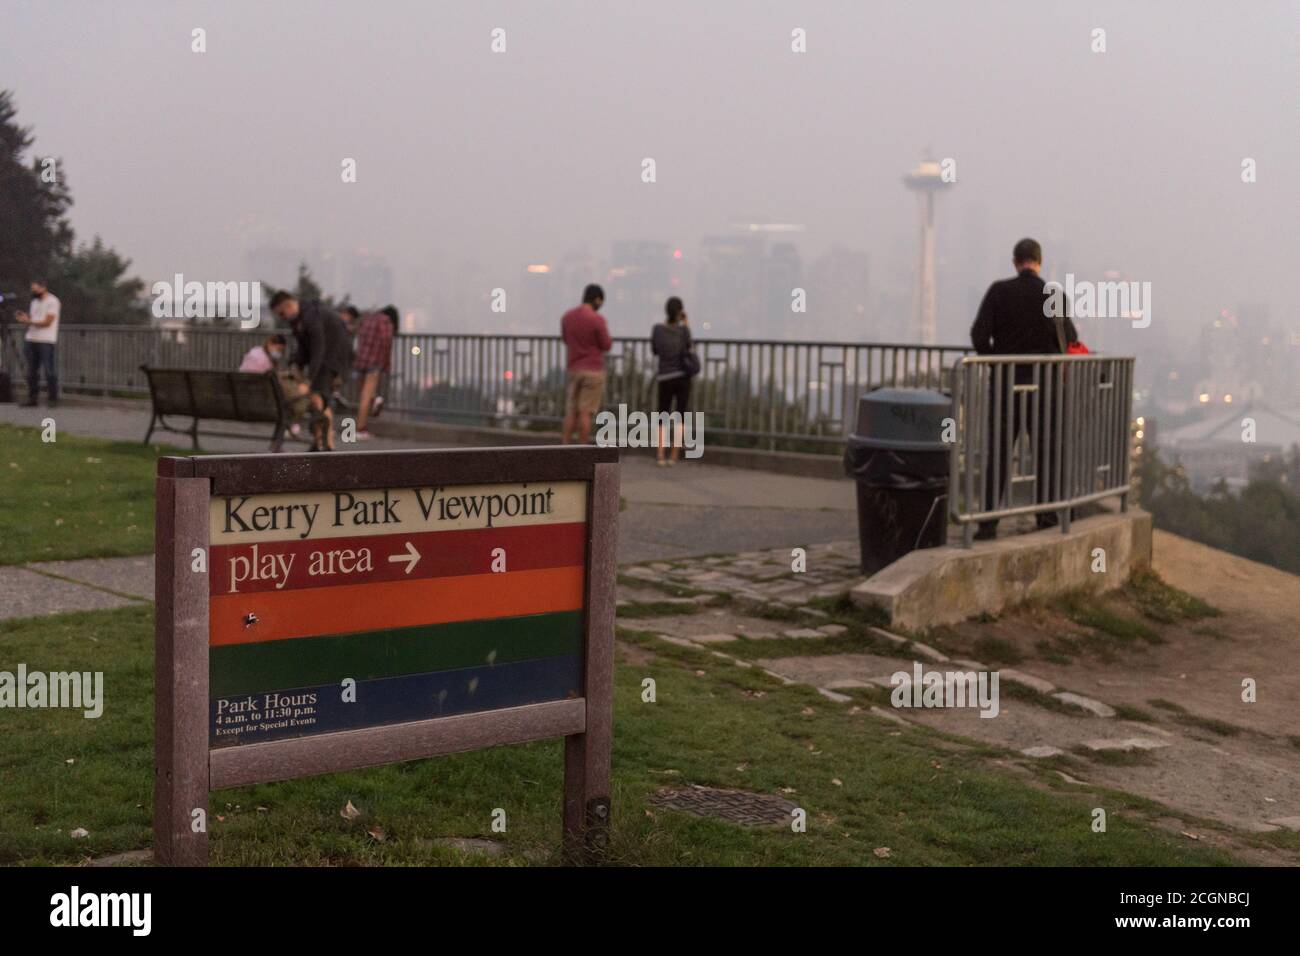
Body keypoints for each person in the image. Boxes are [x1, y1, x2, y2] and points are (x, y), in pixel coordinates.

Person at [969, 238, 1079, 540]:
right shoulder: (1052, 295)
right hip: (1045, 389)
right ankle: (1046, 516)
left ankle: (988, 522)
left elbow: (979, 335)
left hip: (1007, 386)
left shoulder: (998, 291)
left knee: (1000, 453)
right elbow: (1069, 338)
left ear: (1016, 261)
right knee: (1045, 452)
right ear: (1039, 261)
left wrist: (996, 363)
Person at [269, 291, 351, 452]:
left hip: (332, 356)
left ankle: (326, 444)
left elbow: (318, 348)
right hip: (329, 356)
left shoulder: (311, 316)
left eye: (282, 313)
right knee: (319, 397)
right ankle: (321, 441)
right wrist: (297, 364)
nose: (282, 317)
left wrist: (308, 380)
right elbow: (304, 347)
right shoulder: (302, 317)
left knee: (319, 397)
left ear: (288, 305)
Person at [560, 284, 612, 444]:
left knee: (571, 411)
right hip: (593, 370)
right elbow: (606, 345)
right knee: (585, 412)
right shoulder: (597, 319)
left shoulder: (567, 317)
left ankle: (564, 448)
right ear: (597, 299)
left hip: (574, 368)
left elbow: (566, 339)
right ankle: (582, 451)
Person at [650, 297, 694, 466]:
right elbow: (689, 348)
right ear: (680, 312)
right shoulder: (684, 331)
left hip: (665, 377)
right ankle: (674, 455)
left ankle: (660, 455)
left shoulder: (657, 330)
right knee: (680, 416)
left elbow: (654, 350)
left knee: (663, 415)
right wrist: (686, 323)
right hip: (682, 377)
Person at [352, 305, 398, 440]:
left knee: (364, 394)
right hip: (374, 362)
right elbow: (386, 343)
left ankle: (376, 401)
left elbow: (359, 337)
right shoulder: (385, 322)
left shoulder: (368, 319)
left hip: (361, 360)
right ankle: (360, 429)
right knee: (366, 396)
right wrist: (387, 364)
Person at [15, 279, 60, 407]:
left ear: (43, 288)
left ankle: (52, 398)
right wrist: (26, 318)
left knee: (48, 370)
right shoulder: (34, 301)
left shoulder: (53, 301)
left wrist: (29, 322)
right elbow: (35, 318)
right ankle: (32, 398)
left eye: (35, 290)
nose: (33, 292)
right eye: (32, 290)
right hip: (31, 338)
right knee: (32, 371)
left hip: (46, 340)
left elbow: (47, 322)